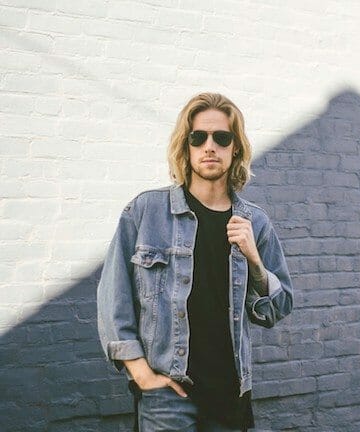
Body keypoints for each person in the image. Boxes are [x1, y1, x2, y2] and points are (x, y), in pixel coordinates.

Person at [97, 92, 293, 431]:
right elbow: (113, 299)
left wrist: (255, 262)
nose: (209, 146)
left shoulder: (254, 223)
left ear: (236, 148)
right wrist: (142, 375)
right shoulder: (146, 212)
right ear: (186, 147)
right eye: (198, 137)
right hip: (169, 397)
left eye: (222, 137)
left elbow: (278, 309)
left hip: (231, 396)